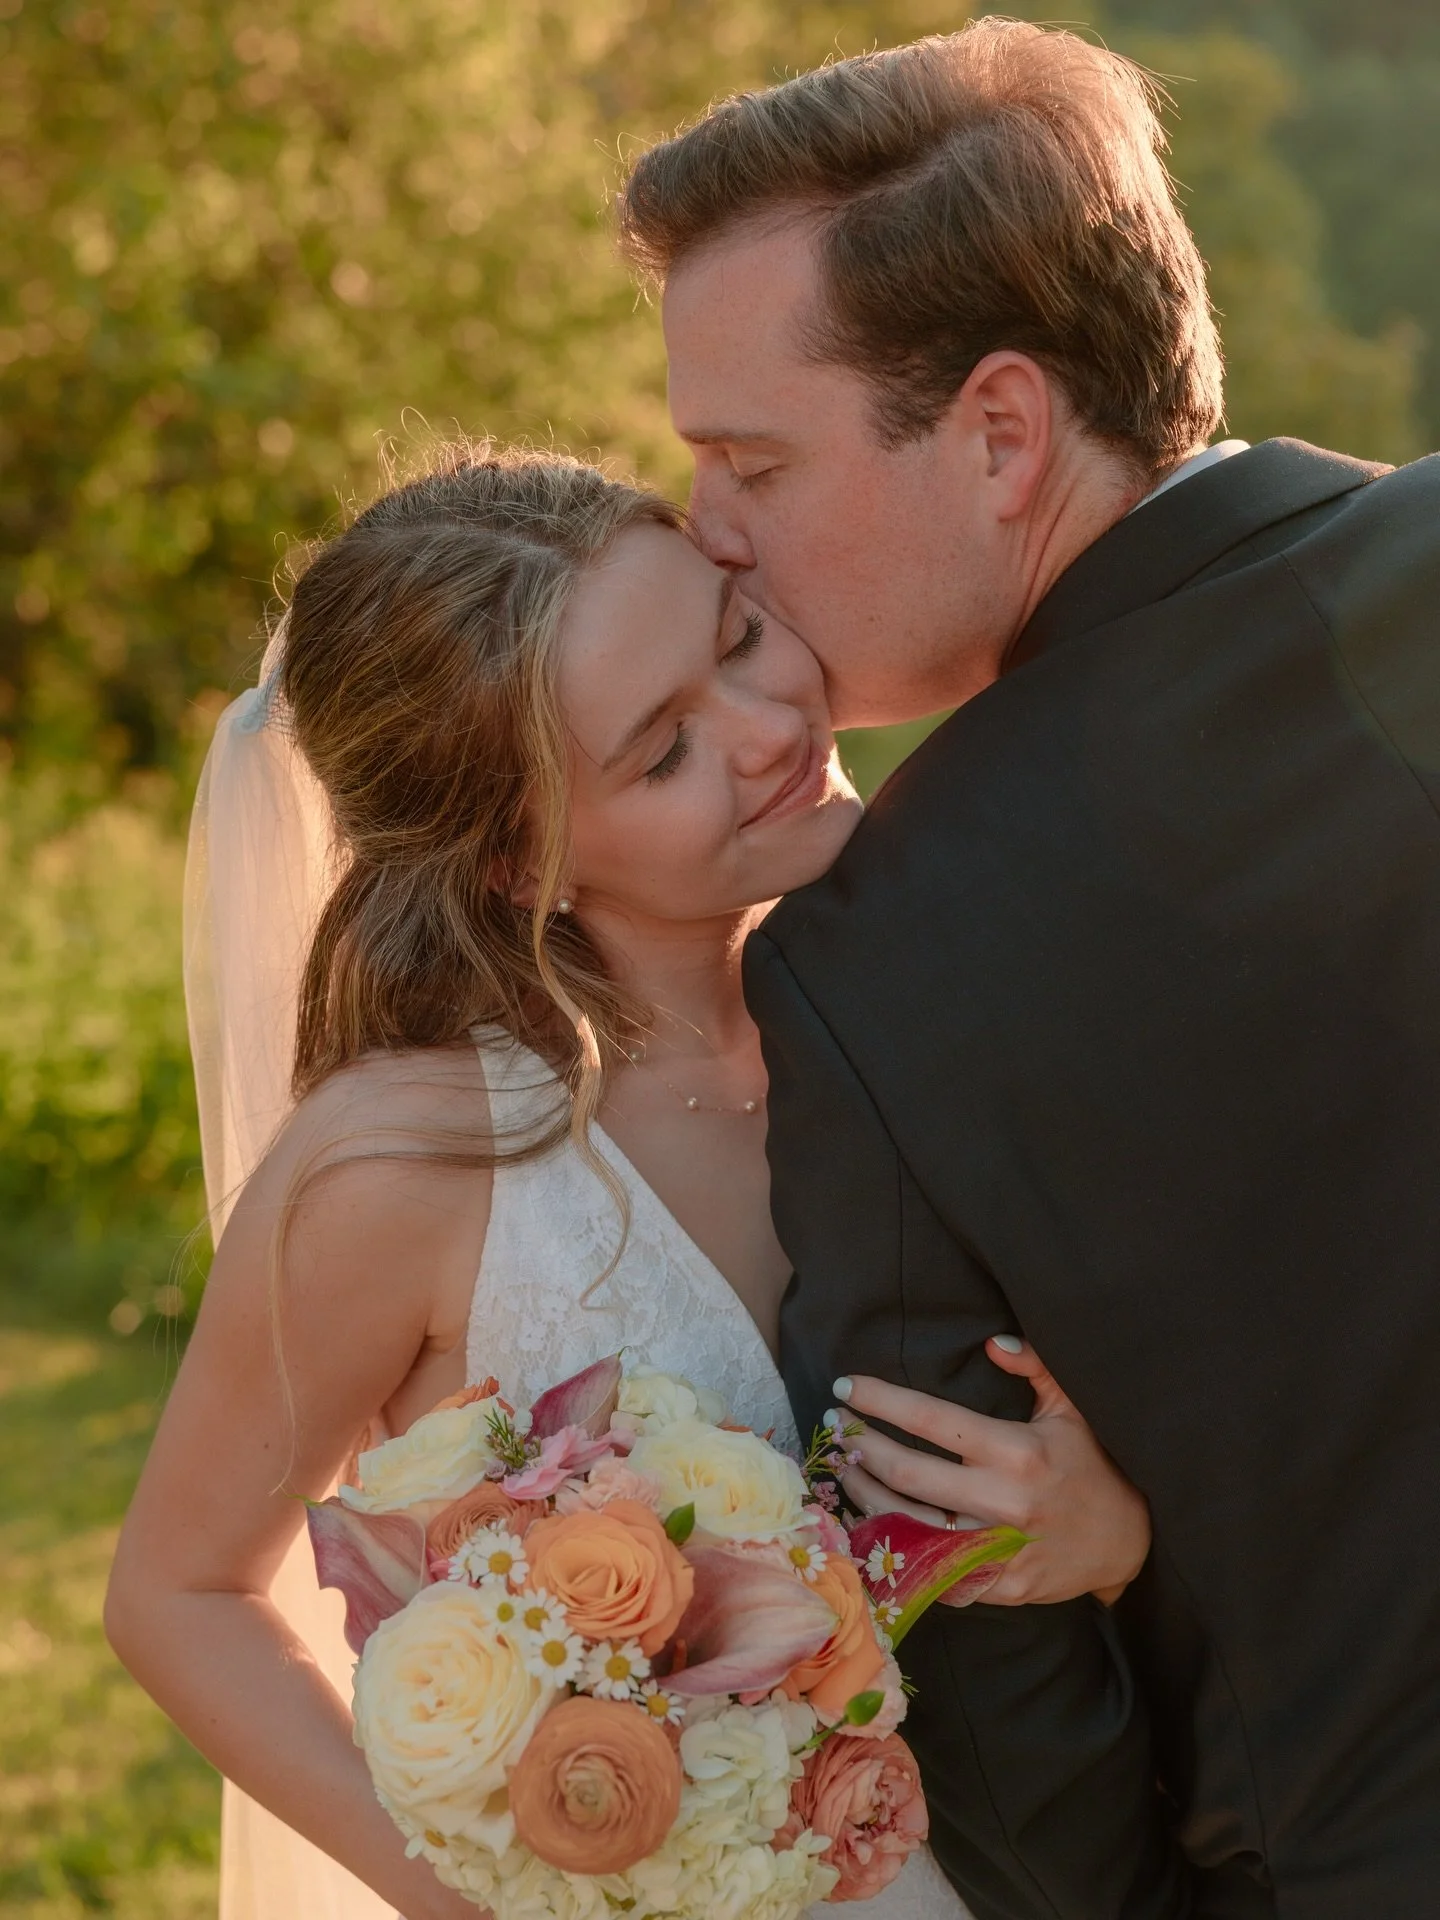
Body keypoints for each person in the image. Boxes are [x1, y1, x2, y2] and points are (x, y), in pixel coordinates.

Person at [620, 17, 1440, 1920]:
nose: (709, 530)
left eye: (751, 457)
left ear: (1000, 433)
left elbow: (988, 1671)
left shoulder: (869, 967)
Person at [105, 445, 1149, 1920]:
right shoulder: (410, 1163)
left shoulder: (933, 1017)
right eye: (659, 750)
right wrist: (490, 1893)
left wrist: (1108, 1530)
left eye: (737, 635)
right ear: (517, 858)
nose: (772, 722)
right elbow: (180, 1596)